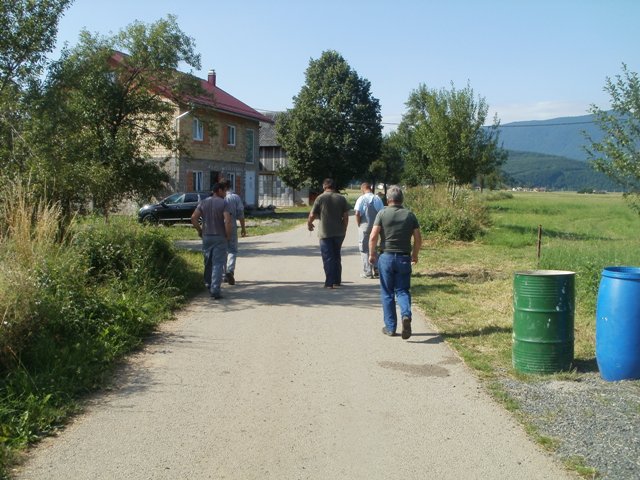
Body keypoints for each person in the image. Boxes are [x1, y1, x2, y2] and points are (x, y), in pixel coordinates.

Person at [368, 185, 422, 339]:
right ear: (401, 199)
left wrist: (372, 254)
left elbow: (373, 237)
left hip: (386, 257)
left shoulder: (382, 213)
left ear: (388, 199)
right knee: (403, 290)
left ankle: (391, 327)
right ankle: (406, 315)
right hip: (404, 257)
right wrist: (415, 255)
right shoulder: (410, 215)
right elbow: (418, 238)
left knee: (387, 293)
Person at [191, 183, 232, 299]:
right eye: (224, 191)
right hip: (219, 237)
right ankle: (215, 290)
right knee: (218, 263)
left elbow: (193, 218)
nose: (225, 194)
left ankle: (208, 284)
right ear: (218, 191)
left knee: (208, 262)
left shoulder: (203, 202)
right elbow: (228, 221)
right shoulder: (224, 203)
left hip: (207, 236)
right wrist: (228, 235)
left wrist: (199, 231)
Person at [307, 178, 350, 289]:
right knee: (336, 256)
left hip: (325, 232)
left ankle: (329, 282)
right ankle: (337, 280)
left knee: (328, 257)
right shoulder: (341, 198)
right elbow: (345, 216)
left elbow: (312, 215)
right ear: (334, 187)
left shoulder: (320, 198)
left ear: (324, 186)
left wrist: (309, 224)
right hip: (339, 232)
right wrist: (344, 228)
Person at [354, 182, 384, 279]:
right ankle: (376, 269)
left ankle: (367, 272)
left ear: (362, 189)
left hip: (364, 225)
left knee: (364, 248)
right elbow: (382, 212)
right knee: (374, 247)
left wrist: (358, 223)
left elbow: (357, 212)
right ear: (370, 188)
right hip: (376, 226)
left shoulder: (361, 198)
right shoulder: (377, 198)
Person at [222, 180, 247, 285]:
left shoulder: (219, 198)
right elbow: (240, 214)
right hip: (231, 226)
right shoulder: (235, 197)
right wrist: (243, 228)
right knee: (232, 250)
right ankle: (230, 270)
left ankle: (224, 275)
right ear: (230, 186)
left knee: (223, 250)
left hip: (219, 227)